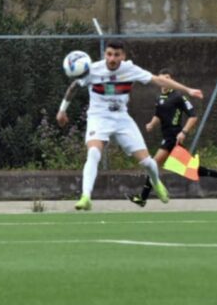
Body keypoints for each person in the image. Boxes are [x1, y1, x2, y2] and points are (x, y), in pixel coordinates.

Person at [56, 41, 204, 211]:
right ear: (105, 54)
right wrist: (62, 111)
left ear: (123, 56)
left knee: (148, 163)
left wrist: (188, 90)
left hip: (122, 119)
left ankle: (156, 183)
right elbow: (74, 86)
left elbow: (158, 80)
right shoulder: (93, 69)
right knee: (94, 153)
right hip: (98, 118)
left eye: (116, 55)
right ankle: (86, 197)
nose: (112, 58)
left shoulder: (130, 70)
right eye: (109, 54)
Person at [126, 68, 217, 207]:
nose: (165, 82)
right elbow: (159, 114)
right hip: (168, 138)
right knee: (191, 169)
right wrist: (151, 124)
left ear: (171, 80)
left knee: (152, 164)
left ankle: (142, 198)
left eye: (168, 79)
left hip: (173, 138)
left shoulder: (178, 96)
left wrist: (183, 132)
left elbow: (193, 116)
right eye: (162, 79)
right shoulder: (159, 98)